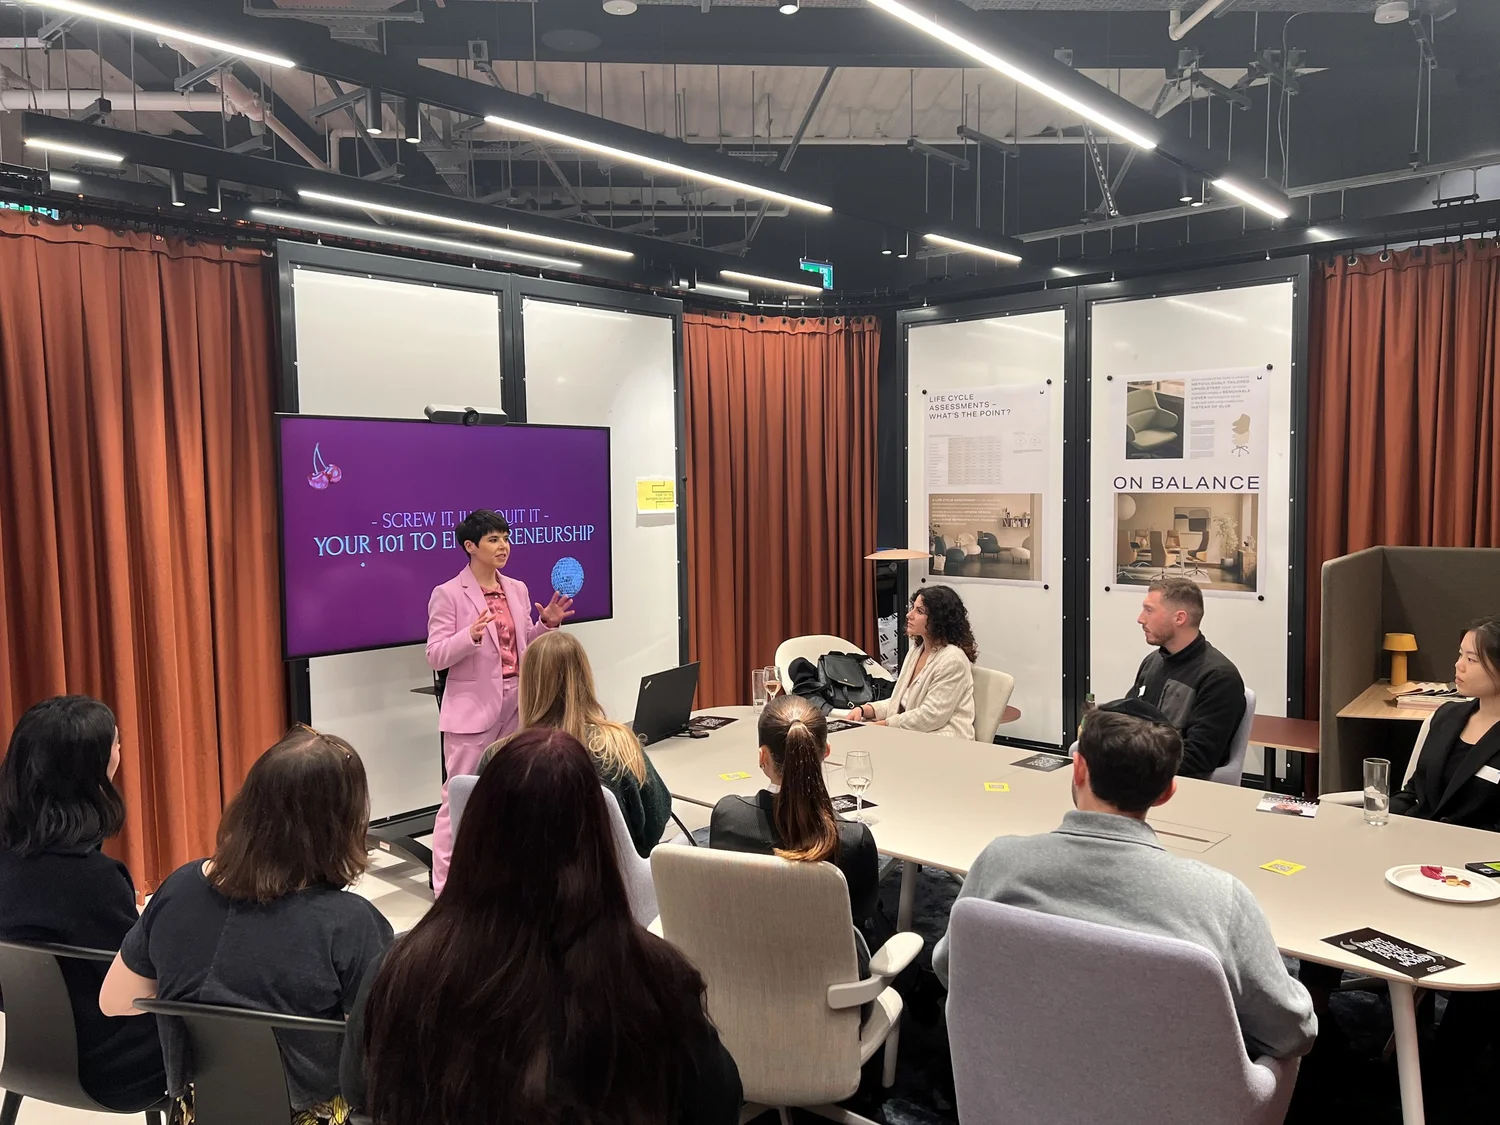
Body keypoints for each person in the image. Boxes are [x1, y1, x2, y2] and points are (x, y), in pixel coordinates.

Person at [343, 727, 742, 1125]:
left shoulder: (400, 970)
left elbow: (359, 1092)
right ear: (601, 842)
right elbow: (719, 1103)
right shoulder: (656, 981)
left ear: (477, 833)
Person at [932, 709, 1316, 1061]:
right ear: (1167, 792)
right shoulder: (1220, 899)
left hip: (1016, 1075)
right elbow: (1293, 1033)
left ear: (1078, 768)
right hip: (1170, 1093)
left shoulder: (1000, 862)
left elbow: (951, 968)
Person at [100, 726, 393, 1124]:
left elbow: (114, 1000)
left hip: (200, 1113)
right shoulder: (352, 924)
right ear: (342, 825)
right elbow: (377, 1062)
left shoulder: (179, 888)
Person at [0, 696, 166, 1112]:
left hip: (26, 1056)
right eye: (115, 743)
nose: (120, 750)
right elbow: (133, 988)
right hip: (116, 1073)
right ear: (91, 769)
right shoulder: (96, 880)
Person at [425, 508, 575, 892]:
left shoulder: (517, 589)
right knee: (459, 798)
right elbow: (435, 655)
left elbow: (526, 646)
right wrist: (469, 636)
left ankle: (506, 882)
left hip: (518, 703)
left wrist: (548, 624)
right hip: (473, 710)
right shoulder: (447, 593)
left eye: (506, 538)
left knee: (515, 791)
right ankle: (445, 891)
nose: (503, 546)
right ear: (470, 546)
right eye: (493, 539)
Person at [710, 694, 882, 953]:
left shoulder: (728, 816)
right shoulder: (852, 839)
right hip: (828, 972)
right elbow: (864, 915)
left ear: (762, 756)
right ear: (825, 752)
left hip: (744, 959)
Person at [499, 629, 672, 858]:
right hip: (614, 878)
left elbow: (483, 833)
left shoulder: (499, 757)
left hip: (524, 880)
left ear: (527, 684)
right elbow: (655, 820)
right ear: (584, 676)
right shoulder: (618, 746)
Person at [1127, 576, 1246, 778]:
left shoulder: (1219, 678)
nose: (1141, 619)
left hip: (1177, 782)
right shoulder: (1153, 662)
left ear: (1179, 618)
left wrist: (1128, 761)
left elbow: (1197, 757)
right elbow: (1126, 719)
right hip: (1141, 773)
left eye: (1149, 610)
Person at [1390, 616, 1500, 831]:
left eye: (1472, 659)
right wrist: (1377, 813)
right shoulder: (1446, 716)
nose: (1459, 665)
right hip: (1416, 837)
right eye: (1460, 654)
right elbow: (1414, 793)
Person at [845, 585, 977, 739]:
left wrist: (883, 726)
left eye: (919, 611)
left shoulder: (953, 659)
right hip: (916, 733)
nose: (909, 615)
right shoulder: (916, 650)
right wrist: (865, 709)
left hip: (946, 740)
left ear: (939, 619)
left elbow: (931, 716)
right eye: (912, 608)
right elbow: (900, 702)